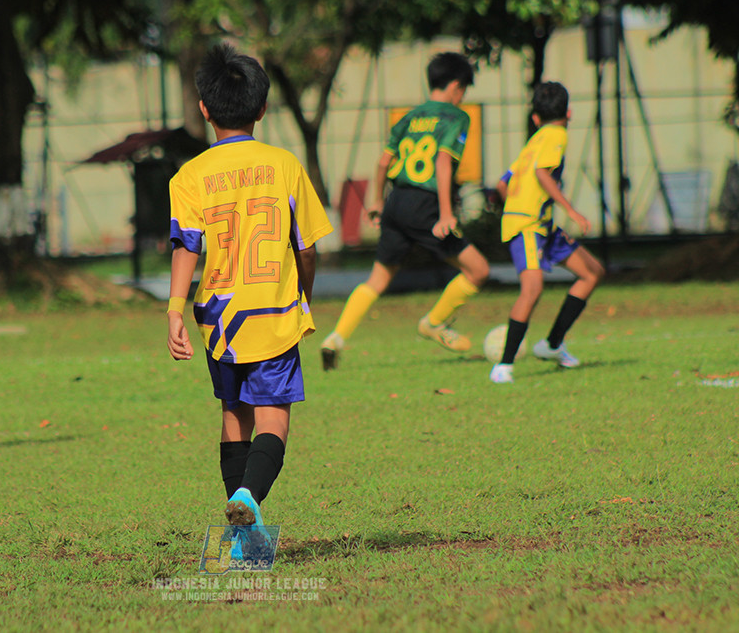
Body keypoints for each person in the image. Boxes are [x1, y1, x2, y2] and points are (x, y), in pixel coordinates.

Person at [166, 44, 332, 556]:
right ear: (262, 108)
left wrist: (173, 309)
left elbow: (186, 245)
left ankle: (242, 542)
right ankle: (247, 498)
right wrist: (303, 296)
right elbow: (307, 248)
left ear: (204, 108)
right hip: (273, 313)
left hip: (219, 319)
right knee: (273, 420)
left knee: (233, 416)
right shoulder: (285, 165)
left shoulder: (189, 175)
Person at [320, 52, 489, 370]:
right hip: (425, 205)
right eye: (464, 89)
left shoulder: (410, 118)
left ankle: (335, 338)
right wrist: (446, 213)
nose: (463, 96)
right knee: (478, 270)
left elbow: (384, 161)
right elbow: (442, 161)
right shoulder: (456, 117)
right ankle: (434, 323)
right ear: (456, 86)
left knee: (377, 279)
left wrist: (377, 201)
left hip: (396, 200)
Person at [489, 81, 605, 384]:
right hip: (528, 224)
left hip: (539, 223)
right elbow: (542, 173)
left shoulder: (535, 140)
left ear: (535, 118)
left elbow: (502, 184)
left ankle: (552, 345)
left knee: (592, 272)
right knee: (532, 289)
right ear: (569, 113)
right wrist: (571, 210)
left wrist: (513, 207)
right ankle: (503, 366)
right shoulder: (557, 135)